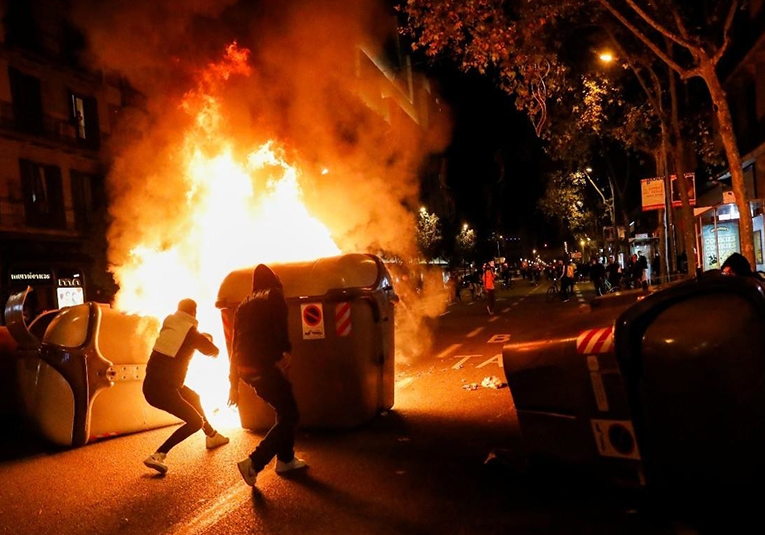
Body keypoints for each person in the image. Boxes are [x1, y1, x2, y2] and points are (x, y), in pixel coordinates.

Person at [229, 264, 307, 487]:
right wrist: (285, 350)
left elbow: (235, 343)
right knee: (290, 413)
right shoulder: (274, 295)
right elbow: (279, 327)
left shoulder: (244, 303)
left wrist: (233, 382)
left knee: (284, 408)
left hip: (244, 367)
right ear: (274, 279)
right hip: (262, 364)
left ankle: (285, 459)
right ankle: (254, 462)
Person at [142, 298, 229, 474]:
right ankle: (159, 454)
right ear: (194, 313)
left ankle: (212, 435)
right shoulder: (190, 332)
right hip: (163, 390)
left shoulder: (170, 326)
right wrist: (206, 341)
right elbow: (212, 351)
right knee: (195, 421)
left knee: (194, 397)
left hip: (156, 385)